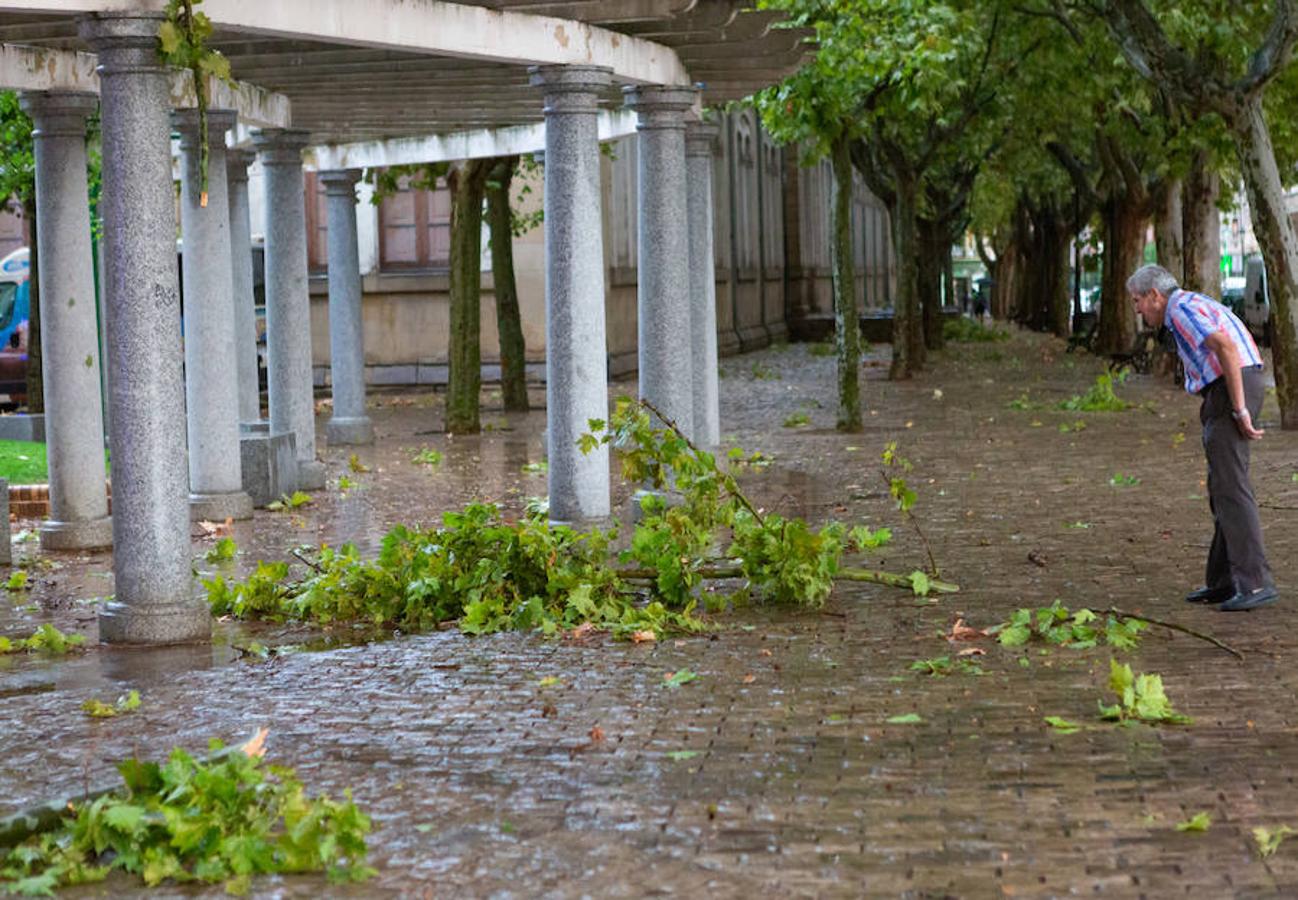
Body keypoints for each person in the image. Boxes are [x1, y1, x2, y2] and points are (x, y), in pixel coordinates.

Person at [1127, 264, 1277, 611]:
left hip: (1231, 388)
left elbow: (1225, 346)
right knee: (1221, 487)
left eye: (1138, 301)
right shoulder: (1188, 305)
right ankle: (1225, 581)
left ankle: (1253, 583)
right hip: (1226, 389)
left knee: (1231, 488)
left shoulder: (1180, 310)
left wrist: (1238, 408)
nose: (1137, 309)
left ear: (1155, 295)